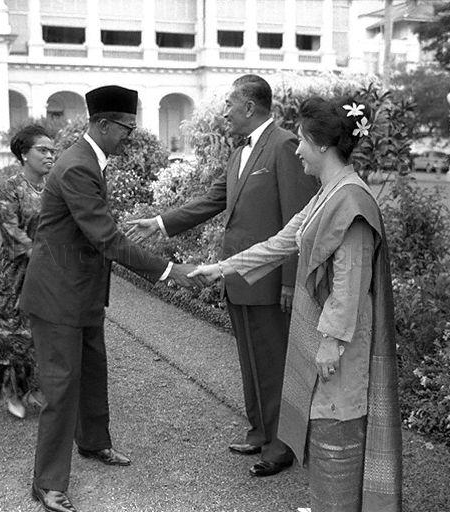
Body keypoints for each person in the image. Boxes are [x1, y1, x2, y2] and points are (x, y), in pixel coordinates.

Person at [189, 96, 402, 512]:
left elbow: (351, 281)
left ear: (322, 145)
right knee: (321, 425)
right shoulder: (330, 192)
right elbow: (283, 241)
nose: (297, 149)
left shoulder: (351, 201)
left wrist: (331, 343)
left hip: (341, 348)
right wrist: (221, 268)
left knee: (335, 429)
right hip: (328, 341)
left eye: (302, 141)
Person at [19, 85, 200, 512]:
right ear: (101, 124)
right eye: (125, 128)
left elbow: (94, 230)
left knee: (93, 373)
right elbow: (105, 239)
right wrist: (171, 270)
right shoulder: (79, 166)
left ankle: (94, 442)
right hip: (59, 297)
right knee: (62, 389)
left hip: (80, 293)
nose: (130, 137)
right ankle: (47, 483)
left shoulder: (86, 160)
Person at [127, 74, 318, 477]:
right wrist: (159, 223)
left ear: (250, 107)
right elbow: (213, 200)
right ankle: (259, 429)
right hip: (238, 278)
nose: (225, 110)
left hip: (270, 280)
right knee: (250, 361)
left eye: (231, 102)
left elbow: (298, 221)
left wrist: (289, 280)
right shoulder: (239, 152)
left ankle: (280, 444)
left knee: (273, 363)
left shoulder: (284, 145)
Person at [0, 125, 54, 419]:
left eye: (52, 150)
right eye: (43, 150)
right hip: (17, 272)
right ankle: (12, 390)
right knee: (12, 328)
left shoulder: (54, 187)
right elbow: (10, 229)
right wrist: (35, 252)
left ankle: (36, 388)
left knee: (43, 329)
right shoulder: (10, 189)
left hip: (49, 270)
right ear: (24, 154)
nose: (50, 155)